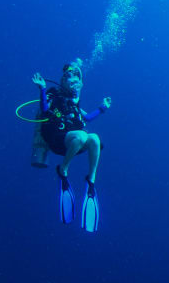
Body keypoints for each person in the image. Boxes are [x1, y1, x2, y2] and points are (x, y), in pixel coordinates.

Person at [31, 59, 111, 232]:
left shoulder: (74, 104)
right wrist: (42, 88)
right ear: (64, 81)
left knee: (95, 138)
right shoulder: (55, 94)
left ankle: (91, 181)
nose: (74, 83)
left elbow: (87, 118)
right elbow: (45, 110)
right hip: (57, 140)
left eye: (76, 79)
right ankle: (63, 170)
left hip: (73, 142)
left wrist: (103, 108)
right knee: (82, 135)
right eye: (70, 79)